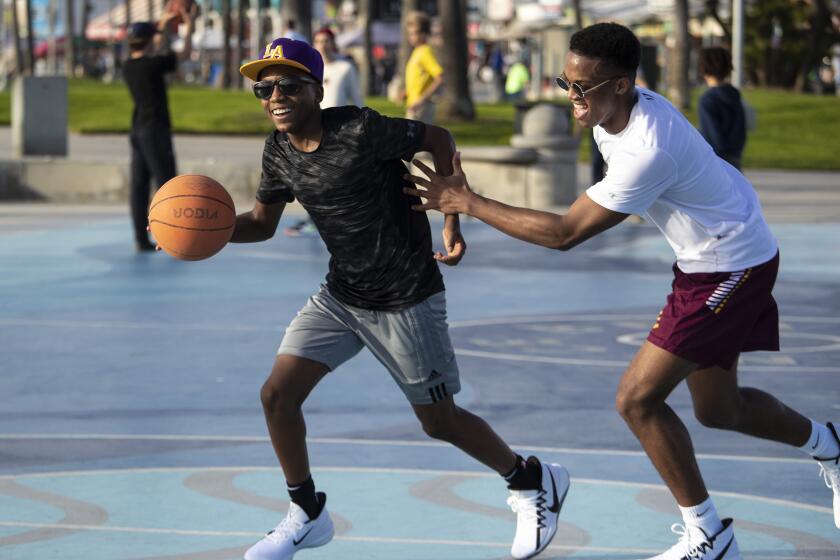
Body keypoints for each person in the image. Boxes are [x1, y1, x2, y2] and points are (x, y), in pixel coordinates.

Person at [403, 22, 840, 560]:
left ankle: (709, 533)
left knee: (636, 399)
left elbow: (565, 234)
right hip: (714, 255)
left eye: (582, 88)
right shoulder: (609, 113)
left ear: (623, 84)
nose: (571, 97)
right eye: (565, 82)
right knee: (718, 410)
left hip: (731, 265)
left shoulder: (646, 148)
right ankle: (831, 446)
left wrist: (467, 202)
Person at [234, 37, 569, 560]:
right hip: (341, 296)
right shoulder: (277, 152)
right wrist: (202, 235)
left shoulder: (362, 129)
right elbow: (259, 224)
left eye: (287, 85)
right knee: (277, 395)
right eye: (263, 87)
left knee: (439, 422)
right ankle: (307, 513)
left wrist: (450, 215)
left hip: (406, 296)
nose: (274, 96)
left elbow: (438, 136)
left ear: (316, 90)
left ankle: (530, 479)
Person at [123, 8, 196, 251]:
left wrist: (161, 25)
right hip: (155, 130)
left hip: (137, 130)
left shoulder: (129, 65)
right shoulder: (153, 65)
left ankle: (140, 239)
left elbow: (152, 45)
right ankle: (172, 236)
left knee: (139, 186)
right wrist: (189, 26)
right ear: (148, 40)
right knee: (167, 185)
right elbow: (184, 54)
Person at [283, 26, 364, 237]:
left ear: (333, 43)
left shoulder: (345, 68)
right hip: (312, 130)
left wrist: (360, 126)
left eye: (326, 40)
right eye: (318, 41)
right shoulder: (311, 71)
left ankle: (334, 219)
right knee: (312, 178)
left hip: (339, 132)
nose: (323, 45)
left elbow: (357, 100)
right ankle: (315, 219)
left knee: (335, 179)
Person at [698, 47, 747, 170]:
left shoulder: (707, 100)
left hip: (715, 163)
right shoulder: (734, 95)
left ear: (703, 69)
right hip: (735, 158)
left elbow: (712, 135)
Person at [404, 11, 444, 123]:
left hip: (421, 107)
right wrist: (406, 92)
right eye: (409, 33)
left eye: (414, 33)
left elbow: (439, 78)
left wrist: (421, 100)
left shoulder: (425, 52)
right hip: (414, 105)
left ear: (424, 33)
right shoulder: (417, 51)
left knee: (415, 139)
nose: (411, 37)